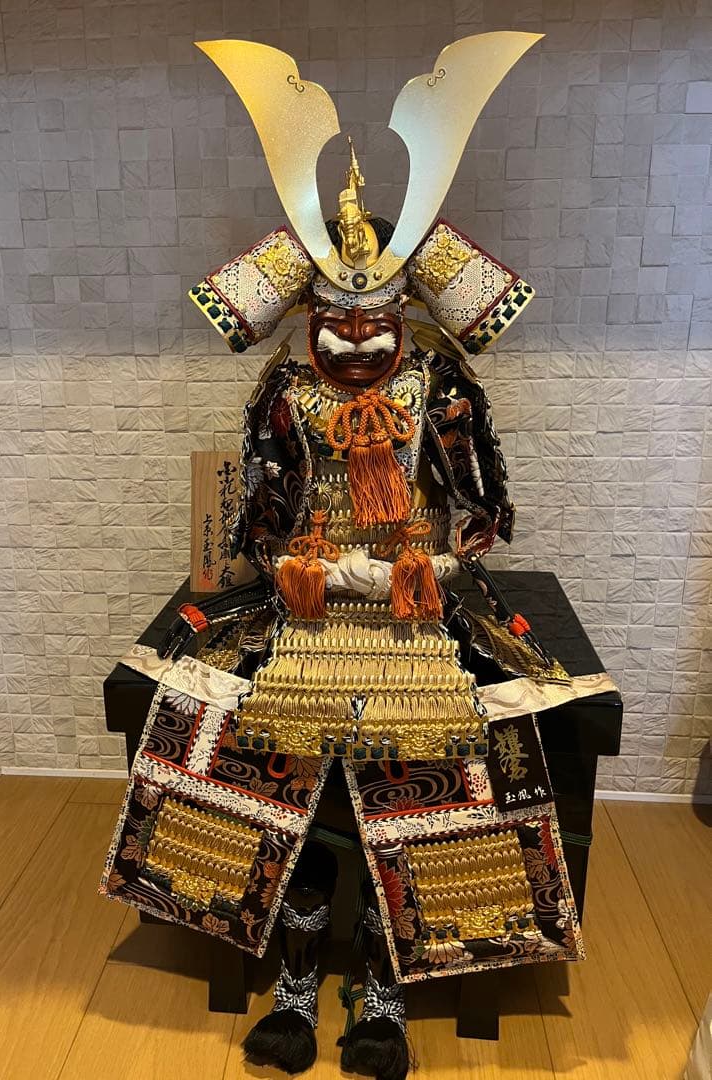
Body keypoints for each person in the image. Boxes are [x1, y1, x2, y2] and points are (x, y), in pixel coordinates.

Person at [101, 35, 616, 1079]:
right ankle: (293, 975)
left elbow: (481, 513)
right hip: (303, 606)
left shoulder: (442, 387)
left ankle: (385, 984)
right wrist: (306, 566)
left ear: (408, 311)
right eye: (333, 321)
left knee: (433, 767)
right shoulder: (284, 394)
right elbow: (258, 518)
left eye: (373, 320)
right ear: (305, 315)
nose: (352, 342)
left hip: (417, 608)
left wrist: (433, 563)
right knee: (248, 752)